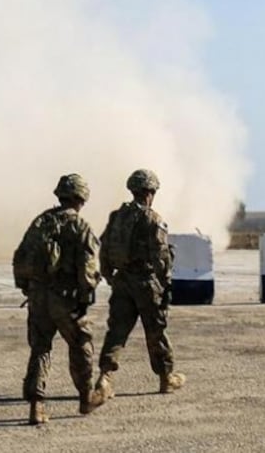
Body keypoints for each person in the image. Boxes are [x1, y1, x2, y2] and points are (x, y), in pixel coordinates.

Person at [11, 173, 106, 425]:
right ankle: (86, 397)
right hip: (65, 298)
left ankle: (36, 406)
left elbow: (20, 258)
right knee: (81, 343)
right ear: (80, 198)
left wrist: (28, 288)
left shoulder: (41, 222)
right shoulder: (80, 226)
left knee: (40, 348)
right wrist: (86, 295)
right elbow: (88, 270)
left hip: (39, 296)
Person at [95, 169, 185, 397]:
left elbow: (104, 248)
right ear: (149, 192)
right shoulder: (152, 219)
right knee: (156, 331)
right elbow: (161, 256)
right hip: (145, 282)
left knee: (116, 332)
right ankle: (166, 378)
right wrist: (165, 284)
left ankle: (105, 378)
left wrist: (109, 276)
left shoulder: (117, 217)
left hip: (122, 281)